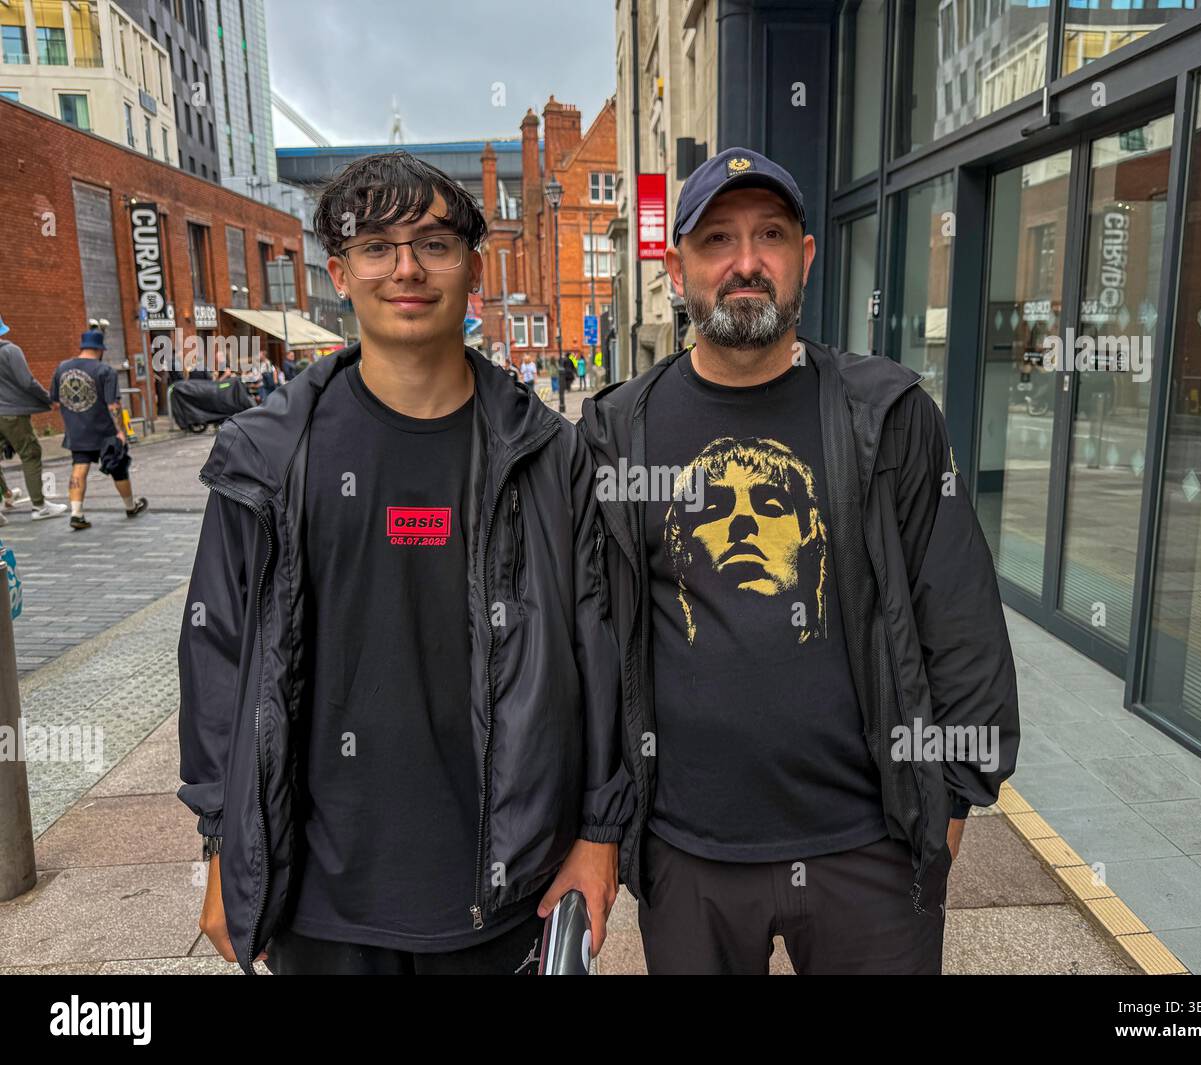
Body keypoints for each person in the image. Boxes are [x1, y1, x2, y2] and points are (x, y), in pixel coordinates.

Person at [177, 149, 631, 977]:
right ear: (340, 273)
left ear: (472, 270)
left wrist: (599, 835)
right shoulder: (268, 456)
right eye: (377, 246)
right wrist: (220, 847)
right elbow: (218, 658)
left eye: (433, 244)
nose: (407, 269)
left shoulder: (548, 454)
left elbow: (595, 648)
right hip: (320, 896)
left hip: (503, 888)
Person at [580, 148, 1020, 975]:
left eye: (769, 235)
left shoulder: (887, 416)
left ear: (805, 257)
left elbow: (958, 614)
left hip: (871, 845)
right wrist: (606, 824)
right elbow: (592, 640)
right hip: (688, 851)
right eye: (716, 239)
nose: (745, 261)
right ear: (678, 267)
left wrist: (952, 802)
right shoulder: (618, 433)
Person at [49, 330, 147, 531]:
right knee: (118, 467)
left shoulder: (62, 368)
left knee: (79, 467)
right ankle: (130, 506)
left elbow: (56, 402)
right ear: (100, 349)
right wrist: (121, 431)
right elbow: (113, 406)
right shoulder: (105, 371)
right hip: (105, 431)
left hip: (77, 430)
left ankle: (76, 513)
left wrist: (74, 419)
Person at [0, 314, 68, 524]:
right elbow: (27, 382)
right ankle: (39, 506)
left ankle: (6, 496)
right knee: (30, 454)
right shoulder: (11, 351)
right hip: (12, 414)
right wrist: (49, 399)